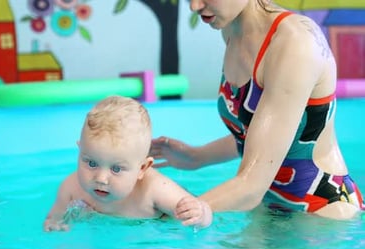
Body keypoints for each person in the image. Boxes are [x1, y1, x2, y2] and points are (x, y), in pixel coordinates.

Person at [150, 0, 364, 220]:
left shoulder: (296, 43)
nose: (194, 6)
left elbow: (252, 186)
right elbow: (262, 138)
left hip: (320, 211)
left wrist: (177, 214)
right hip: (269, 205)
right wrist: (196, 157)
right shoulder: (232, 30)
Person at [43, 95, 213, 231]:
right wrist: (55, 224)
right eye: (92, 163)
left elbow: (200, 212)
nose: (101, 178)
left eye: (116, 168)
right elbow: (55, 218)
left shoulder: (154, 190)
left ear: (142, 168)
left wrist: (201, 214)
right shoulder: (71, 188)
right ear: (80, 152)